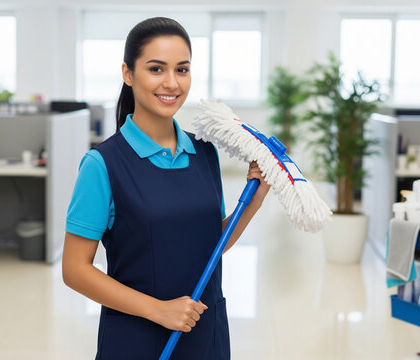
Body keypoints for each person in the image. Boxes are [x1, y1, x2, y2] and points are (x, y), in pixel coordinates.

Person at [62, 17, 270, 359]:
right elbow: (75, 269)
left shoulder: (204, 153)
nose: (171, 83)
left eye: (182, 69)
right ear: (128, 74)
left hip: (206, 332)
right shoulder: (103, 164)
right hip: (138, 338)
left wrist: (253, 201)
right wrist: (158, 310)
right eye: (156, 69)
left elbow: (208, 246)